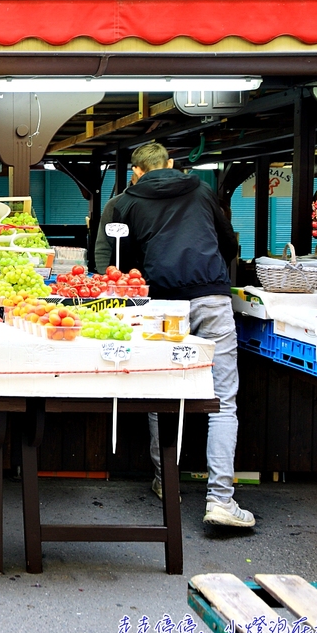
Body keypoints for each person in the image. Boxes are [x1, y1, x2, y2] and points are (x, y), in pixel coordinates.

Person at [95, 142, 253, 528]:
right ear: (170, 164)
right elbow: (229, 242)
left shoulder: (125, 202)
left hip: (162, 305)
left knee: (161, 393)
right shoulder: (201, 190)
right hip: (211, 298)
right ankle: (220, 500)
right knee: (223, 400)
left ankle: (166, 481)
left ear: (135, 171)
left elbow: (112, 261)